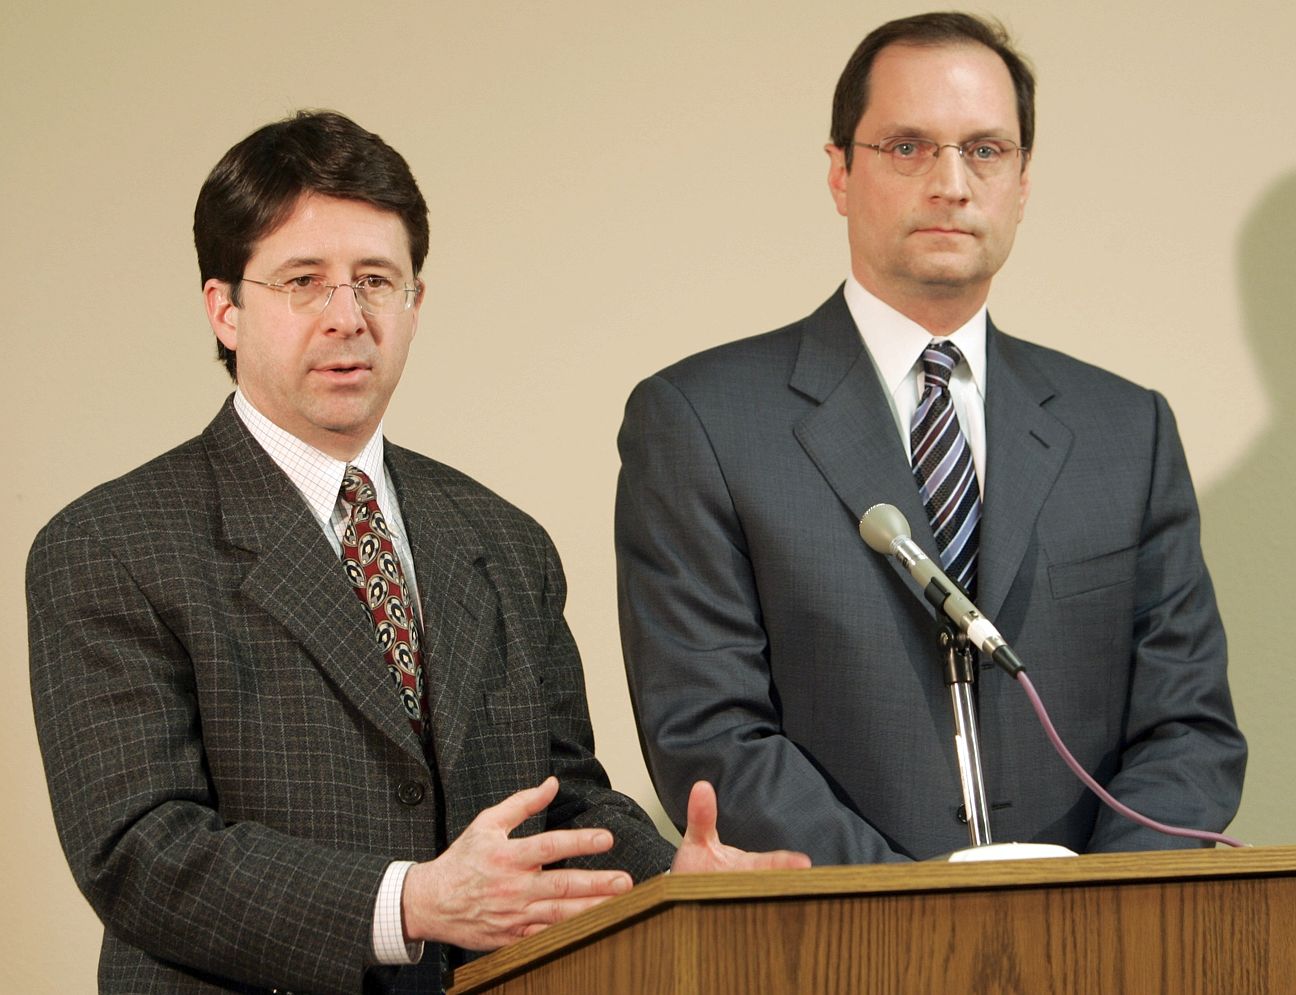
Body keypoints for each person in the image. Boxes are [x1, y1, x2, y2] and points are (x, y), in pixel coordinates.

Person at [27, 110, 807, 995]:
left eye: (376, 280)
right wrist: (410, 903)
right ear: (226, 309)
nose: (346, 318)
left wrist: (671, 885)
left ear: (415, 302)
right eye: (303, 282)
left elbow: (566, 801)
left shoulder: (503, 538)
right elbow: (139, 851)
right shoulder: (107, 544)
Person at [615, 12, 1246, 866]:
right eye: (908, 147)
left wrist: (1101, 912)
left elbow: (1187, 723)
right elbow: (712, 731)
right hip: (836, 945)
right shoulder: (702, 420)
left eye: (985, 149)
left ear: (1023, 180)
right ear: (839, 172)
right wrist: (919, 919)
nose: (951, 182)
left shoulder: (1126, 430)